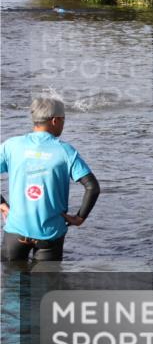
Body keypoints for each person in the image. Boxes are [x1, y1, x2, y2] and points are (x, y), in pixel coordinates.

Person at [1, 97, 100, 262]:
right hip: (50, 235)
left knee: (13, 285)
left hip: (15, 232)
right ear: (55, 120)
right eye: (63, 120)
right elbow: (92, 187)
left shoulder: (11, 146)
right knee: (46, 286)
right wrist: (79, 218)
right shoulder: (65, 151)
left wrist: (1, 203)